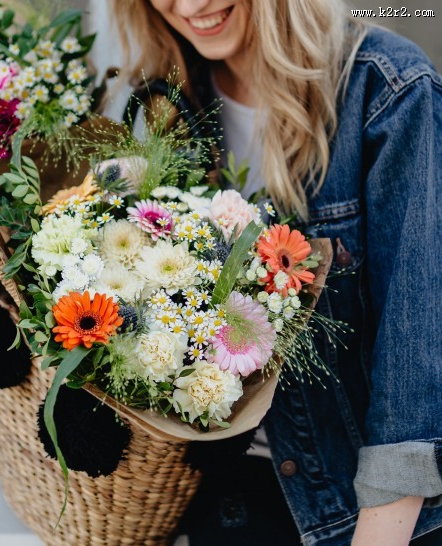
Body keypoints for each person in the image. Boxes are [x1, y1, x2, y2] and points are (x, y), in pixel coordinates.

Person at [109, 1, 441, 545]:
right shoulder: (167, 101)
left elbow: (418, 351)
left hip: (367, 514)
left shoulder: (388, 89)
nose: (191, 6)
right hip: (224, 499)